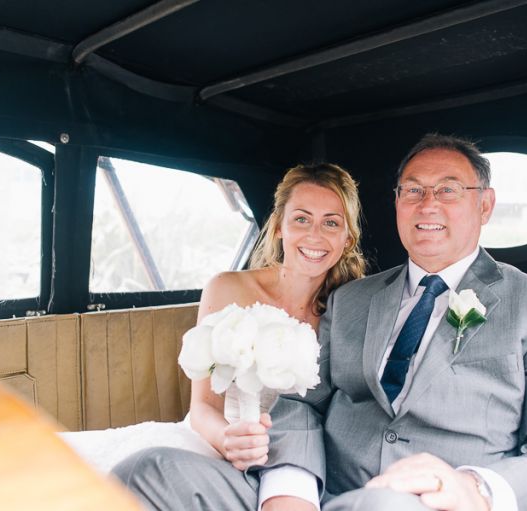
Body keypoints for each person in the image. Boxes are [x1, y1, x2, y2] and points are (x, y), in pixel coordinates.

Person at [113, 134, 527, 511]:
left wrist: (471, 487)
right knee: (148, 469)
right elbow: (300, 405)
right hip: (319, 492)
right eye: (412, 190)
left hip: (419, 503)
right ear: (396, 205)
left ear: (485, 205)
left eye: (448, 190)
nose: (427, 204)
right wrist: (292, 490)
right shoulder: (352, 300)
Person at [59, 162, 366, 473]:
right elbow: (203, 407)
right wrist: (230, 441)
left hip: (295, 459)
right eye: (301, 219)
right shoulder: (227, 289)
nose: (315, 236)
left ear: (347, 239)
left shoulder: (352, 309)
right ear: (278, 227)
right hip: (213, 441)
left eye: (331, 223)